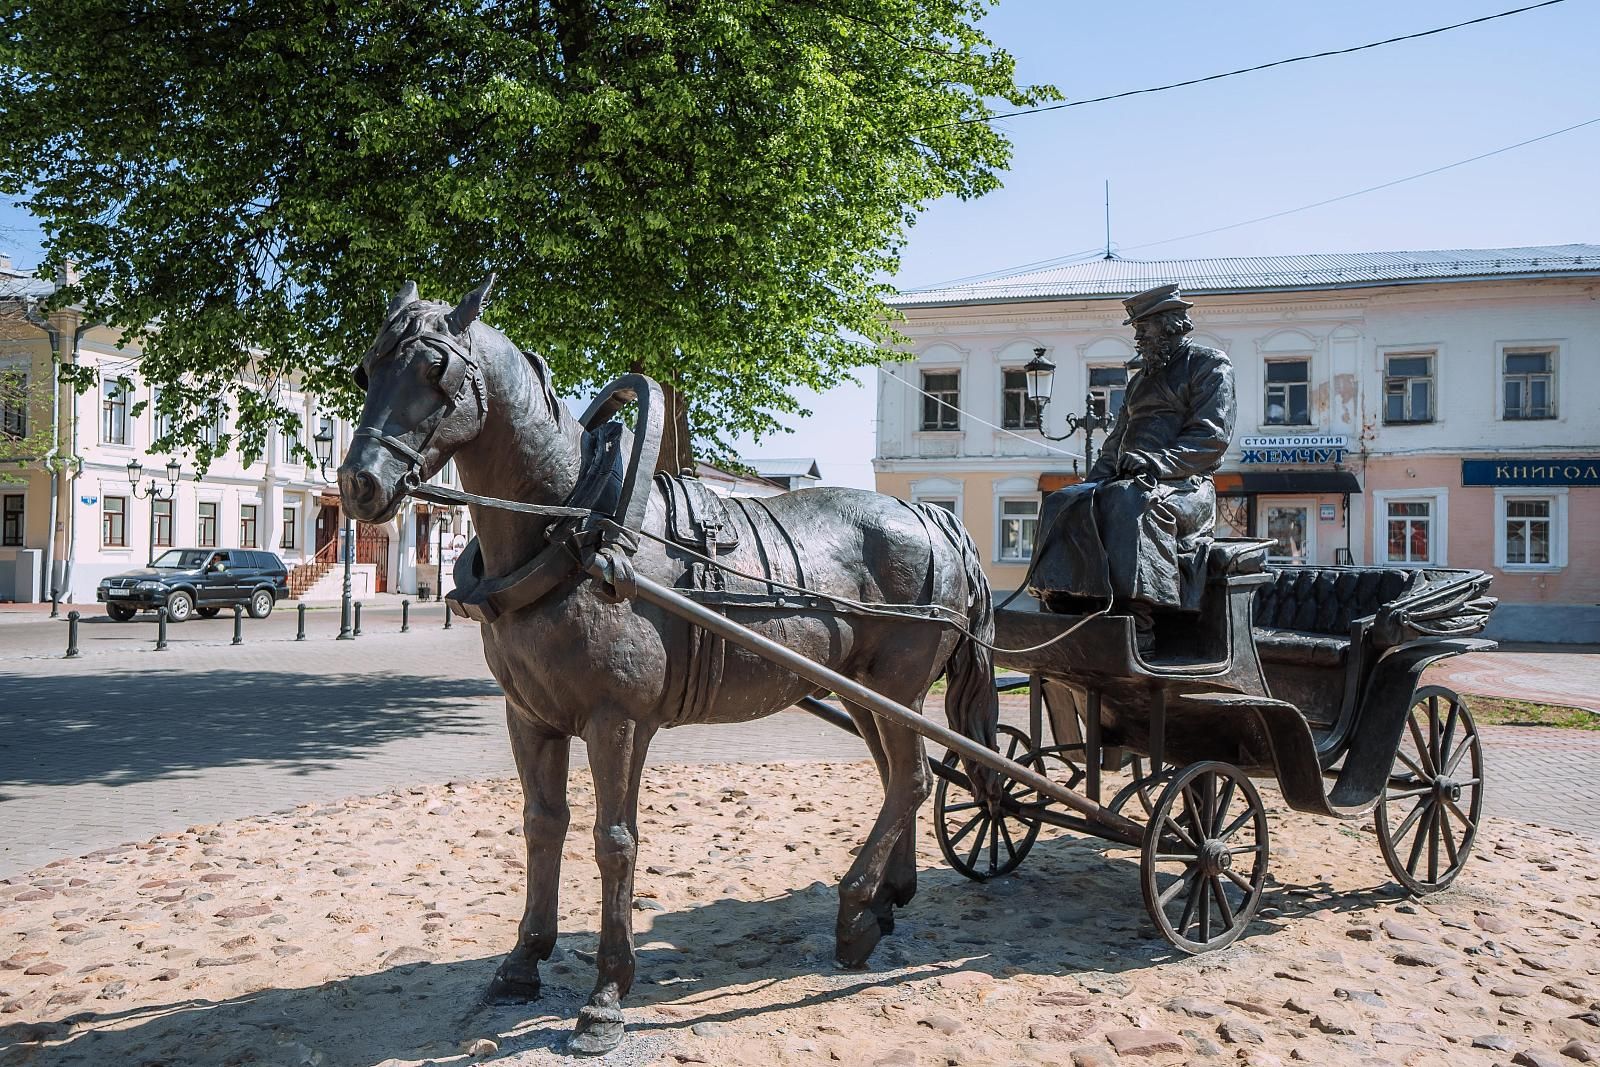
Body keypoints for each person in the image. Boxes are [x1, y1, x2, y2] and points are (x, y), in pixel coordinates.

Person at [1029, 284, 1235, 651]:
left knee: (1128, 501)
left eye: (1144, 327)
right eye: (1136, 328)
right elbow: (1114, 446)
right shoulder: (1140, 381)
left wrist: (1155, 462)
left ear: (1170, 324)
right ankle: (1061, 599)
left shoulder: (1208, 364)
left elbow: (1211, 440)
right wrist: (1088, 489)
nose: (1138, 337)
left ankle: (1137, 623)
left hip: (1185, 485)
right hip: (1134, 480)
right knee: (1063, 501)